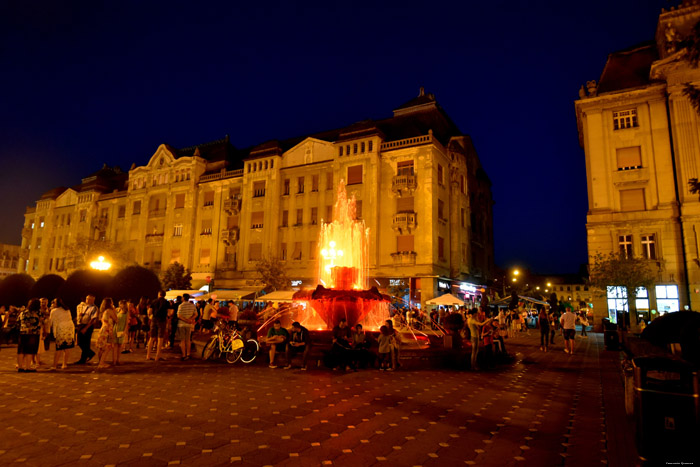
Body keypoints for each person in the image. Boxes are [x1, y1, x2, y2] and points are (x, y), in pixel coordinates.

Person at [17, 299, 43, 372]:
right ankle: (28, 367)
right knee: (30, 350)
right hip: (33, 333)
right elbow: (42, 321)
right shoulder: (38, 313)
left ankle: (20, 367)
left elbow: (18, 321)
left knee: (21, 350)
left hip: (23, 333)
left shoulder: (23, 312)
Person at [147, 290, 172, 362]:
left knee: (151, 338)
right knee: (160, 338)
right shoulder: (166, 302)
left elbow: (149, 312)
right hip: (162, 320)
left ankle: (148, 355)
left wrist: (151, 316)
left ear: (159, 294)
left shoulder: (154, 301)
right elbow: (170, 313)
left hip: (154, 319)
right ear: (164, 295)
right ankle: (157, 356)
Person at [50, 298, 74, 370]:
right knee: (67, 347)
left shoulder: (54, 311)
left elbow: (51, 321)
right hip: (69, 329)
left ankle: (54, 365)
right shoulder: (67, 309)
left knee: (59, 348)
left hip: (61, 329)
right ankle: (64, 364)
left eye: (53, 303)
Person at [75, 295, 99, 364]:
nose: (87, 300)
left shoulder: (94, 308)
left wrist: (86, 328)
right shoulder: (84, 307)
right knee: (79, 342)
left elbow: (93, 319)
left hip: (87, 325)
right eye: (87, 299)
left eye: (89, 299)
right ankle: (90, 353)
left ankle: (83, 359)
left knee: (86, 343)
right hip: (81, 324)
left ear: (93, 300)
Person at [95, 297, 118, 369]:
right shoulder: (109, 310)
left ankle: (100, 361)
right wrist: (114, 310)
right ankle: (101, 363)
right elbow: (116, 320)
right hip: (107, 329)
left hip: (103, 329)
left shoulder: (103, 311)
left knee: (101, 347)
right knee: (108, 347)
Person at [177, 294, 197, 360]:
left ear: (183, 298)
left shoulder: (181, 305)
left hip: (181, 324)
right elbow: (196, 314)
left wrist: (185, 320)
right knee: (188, 340)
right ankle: (188, 354)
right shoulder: (192, 305)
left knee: (182, 340)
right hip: (189, 325)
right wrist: (190, 319)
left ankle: (184, 355)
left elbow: (178, 315)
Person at [113, 300, 130, 364]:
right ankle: (114, 360)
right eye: (119, 304)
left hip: (121, 330)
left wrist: (125, 331)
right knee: (115, 345)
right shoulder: (118, 310)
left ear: (124, 305)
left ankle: (118, 360)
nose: (120, 305)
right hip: (116, 328)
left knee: (119, 346)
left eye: (121, 304)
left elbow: (126, 323)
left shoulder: (126, 313)